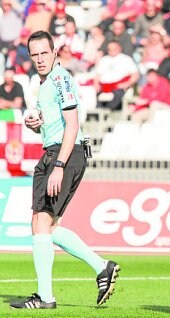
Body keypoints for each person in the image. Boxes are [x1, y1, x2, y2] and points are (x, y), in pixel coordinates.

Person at [9, 30, 120, 310]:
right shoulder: (44, 83)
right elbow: (55, 126)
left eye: (44, 53)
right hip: (55, 152)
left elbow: (72, 124)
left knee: (41, 224)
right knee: (45, 224)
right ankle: (101, 266)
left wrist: (59, 165)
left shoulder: (60, 78)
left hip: (64, 155)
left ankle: (46, 297)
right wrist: (37, 127)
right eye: (34, 55)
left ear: (55, 51)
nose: (39, 59)